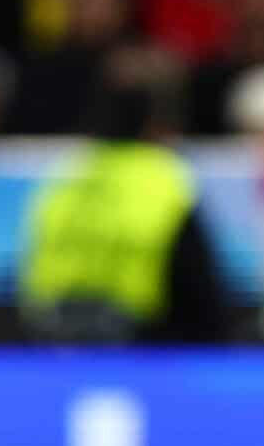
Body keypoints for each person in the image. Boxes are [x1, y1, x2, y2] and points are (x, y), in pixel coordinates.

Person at [15, 71, 230, 344]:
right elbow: (201, 295)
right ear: (156, 124)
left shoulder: (63, 178)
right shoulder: (165, 182)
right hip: (143, 351)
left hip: (53, 348)